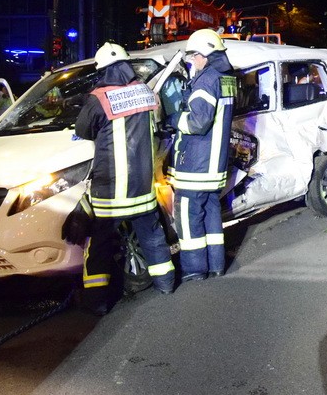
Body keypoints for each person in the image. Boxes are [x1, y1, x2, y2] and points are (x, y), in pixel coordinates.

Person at [69, 42, 175, 314]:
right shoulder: (144, 91)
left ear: (103, 70)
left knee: (100, 249)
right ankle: (166, 286)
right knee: (153, 239)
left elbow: (83, 129)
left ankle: (98, 303)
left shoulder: (99, 98)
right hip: (143, 187)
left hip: (110, 193)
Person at [168, 29, 236, 281]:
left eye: (194, 55)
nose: (192, 60)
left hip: (197, 164)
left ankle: (195, 269)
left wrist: (174, 118)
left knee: (188, 215)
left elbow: (198, 123)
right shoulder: (226, 78)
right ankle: (216, 265)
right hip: (214, 164)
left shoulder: (207, 80)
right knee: (211, 214)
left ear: (205, 55)